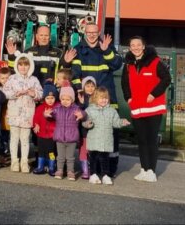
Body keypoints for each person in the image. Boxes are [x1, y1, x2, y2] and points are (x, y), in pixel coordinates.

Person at [64, 23, 123, 179]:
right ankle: (90, 168)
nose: (91, 35)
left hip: (107, 100)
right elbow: (75, 75)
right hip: (87, 101)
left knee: (111, 135)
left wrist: (107, 51)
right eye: (89, 32)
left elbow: (117, 65)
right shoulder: (78, 49)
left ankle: (110, 169)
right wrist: (80, 92)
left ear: (99, 33)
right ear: (84, 33)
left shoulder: (106, 46)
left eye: (94, 32)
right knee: (87, 135)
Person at [121, 36, 171, 183]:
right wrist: (128, 98)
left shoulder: (155, 62)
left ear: (143, 46)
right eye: (132, 45)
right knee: (141, 140)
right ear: (130, 48)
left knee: (151, 140)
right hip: (137, 108)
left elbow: (166, 79)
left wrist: (153, 94)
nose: (135, 47)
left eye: (138, 45)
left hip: (153, 107)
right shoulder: (128, 64)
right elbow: (125, 83)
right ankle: (144, 169)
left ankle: (151, 171)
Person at [2, 53, 43, 173]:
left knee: (25, 139)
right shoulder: (12, 78)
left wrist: (33, 94)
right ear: (17, 66)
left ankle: (24, 162)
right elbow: (5, 93)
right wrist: (15, 94)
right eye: (20, 65)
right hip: (14, 113)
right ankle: (15, 161)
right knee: (14, 139)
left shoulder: (34, 80)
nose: (23, 67)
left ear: (30, 66)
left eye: (26, 65)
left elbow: (40, 94)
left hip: (27, 115)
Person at [81, 88, 130, 185]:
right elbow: (84, 123)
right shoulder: (89, 110)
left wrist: (122, 122)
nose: (104, 100)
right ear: (95, 98)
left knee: (105, 159)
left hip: (106, 140)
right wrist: (88, 123)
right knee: (93, 158)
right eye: (101, 98)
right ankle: (93, 174)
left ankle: (105, 175)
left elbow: (116, 123)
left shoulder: (112, 111)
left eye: (106, 98)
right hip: (94, 140)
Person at [50, 86, 83, 180]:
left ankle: (70, 171)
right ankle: (59, 170)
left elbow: (83, 114)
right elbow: (51, 114)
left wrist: (82, 115)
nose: (65, 101)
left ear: (72, 99)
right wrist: (47, 114)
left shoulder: (76, 108)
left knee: (70, 157)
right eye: (63, 99)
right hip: (59, 137)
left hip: (71, 138)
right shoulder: (57, 109)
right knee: (60, 156)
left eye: (68, 99)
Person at [31, 85, 58, 175]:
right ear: (44, 98)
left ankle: (51, 167)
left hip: (52, 135)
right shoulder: (40, 108)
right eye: (48, 98)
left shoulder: (57, 107)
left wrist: (50, 116)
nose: (50, 100)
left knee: (51, 151)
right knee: (41, 151)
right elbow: (36, 118)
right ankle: (40, 166)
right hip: (41, 134)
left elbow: (57, 117)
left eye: (52, 98)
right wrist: (36, 124)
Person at [77, 76, 98, 179]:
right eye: (87, 86)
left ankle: (93, 169)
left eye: (92, 86)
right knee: (84, 149)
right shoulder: (81, 98)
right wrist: (81, 104)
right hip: (84, 130)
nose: (90, 88)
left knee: (93, 150)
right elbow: (78, 112)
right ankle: (85, 170)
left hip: (95, 131)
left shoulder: (97, 98)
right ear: (83, 87)